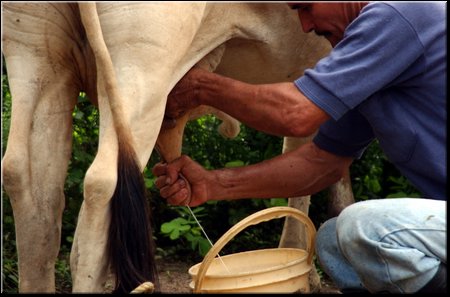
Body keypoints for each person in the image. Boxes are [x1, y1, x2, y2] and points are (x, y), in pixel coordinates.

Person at [152, 2, 446, 294]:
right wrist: (212, 184)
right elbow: (322, 163)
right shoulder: (372, 62)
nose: (306, 25)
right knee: (331, 242)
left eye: (305, 7)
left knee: (362, 229)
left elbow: (296, 113)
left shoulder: (399, 13)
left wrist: (203, 87)